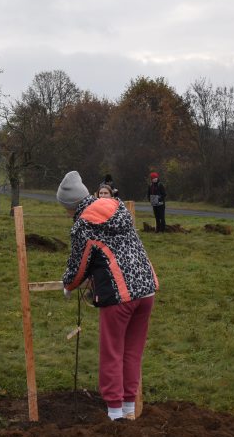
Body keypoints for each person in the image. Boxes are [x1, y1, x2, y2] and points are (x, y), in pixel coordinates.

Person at [57, 170, 158, 421]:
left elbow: (79, 265)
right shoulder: (118, 208)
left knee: (112, 352)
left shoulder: (84, 224)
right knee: (132, 352)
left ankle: (114, 415)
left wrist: (68, 284)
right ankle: (129, 410)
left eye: (66, 209)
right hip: (146, 288)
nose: (67, 214)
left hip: (119, 293)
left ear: (71, 206)